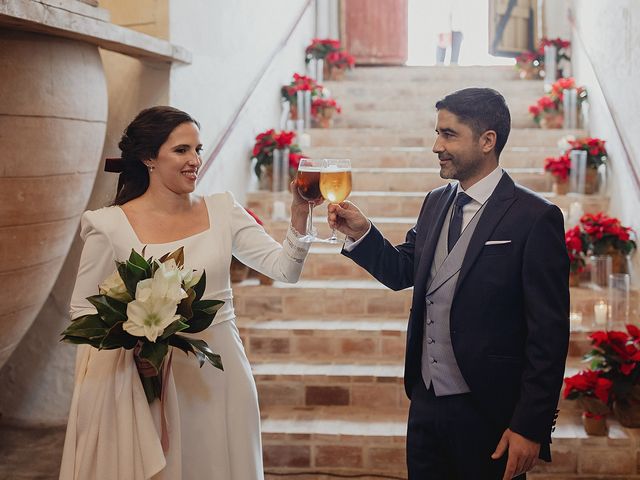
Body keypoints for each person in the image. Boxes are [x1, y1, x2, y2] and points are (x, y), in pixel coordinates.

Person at [59, 106, 318, 480]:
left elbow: (285, 270)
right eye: (182, 150)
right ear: (149, 157)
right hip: (153, 384)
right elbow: (84, 311)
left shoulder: (223, 210)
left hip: (222, 375)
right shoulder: (109, 226)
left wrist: (300, 216)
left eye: (198, 149)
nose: (195, 160)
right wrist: (133, 353)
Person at [328, 88, 569, 480]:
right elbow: (404, 271)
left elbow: (550, 333)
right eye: (437, 133)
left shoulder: (535, 217)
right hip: (425, 405)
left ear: (487, 141)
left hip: (489, 411)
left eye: (449, 134)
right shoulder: (435, 201)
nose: (436, 145)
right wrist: (362, 233)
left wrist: (530, 425)